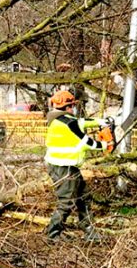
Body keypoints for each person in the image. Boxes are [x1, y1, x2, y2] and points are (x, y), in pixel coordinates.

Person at [44, 89, 111, 242]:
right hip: (62, 167)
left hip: (66, 166)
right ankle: (53, 234)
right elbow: (85, 142)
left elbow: (81, 122)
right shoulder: (68, 122)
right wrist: (105, 144)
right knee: (66, 201)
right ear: (69, 106)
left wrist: (100, 122)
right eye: (72, 106)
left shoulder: (58, 119)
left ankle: (89, 232)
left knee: (84, 197)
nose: (73, 108)